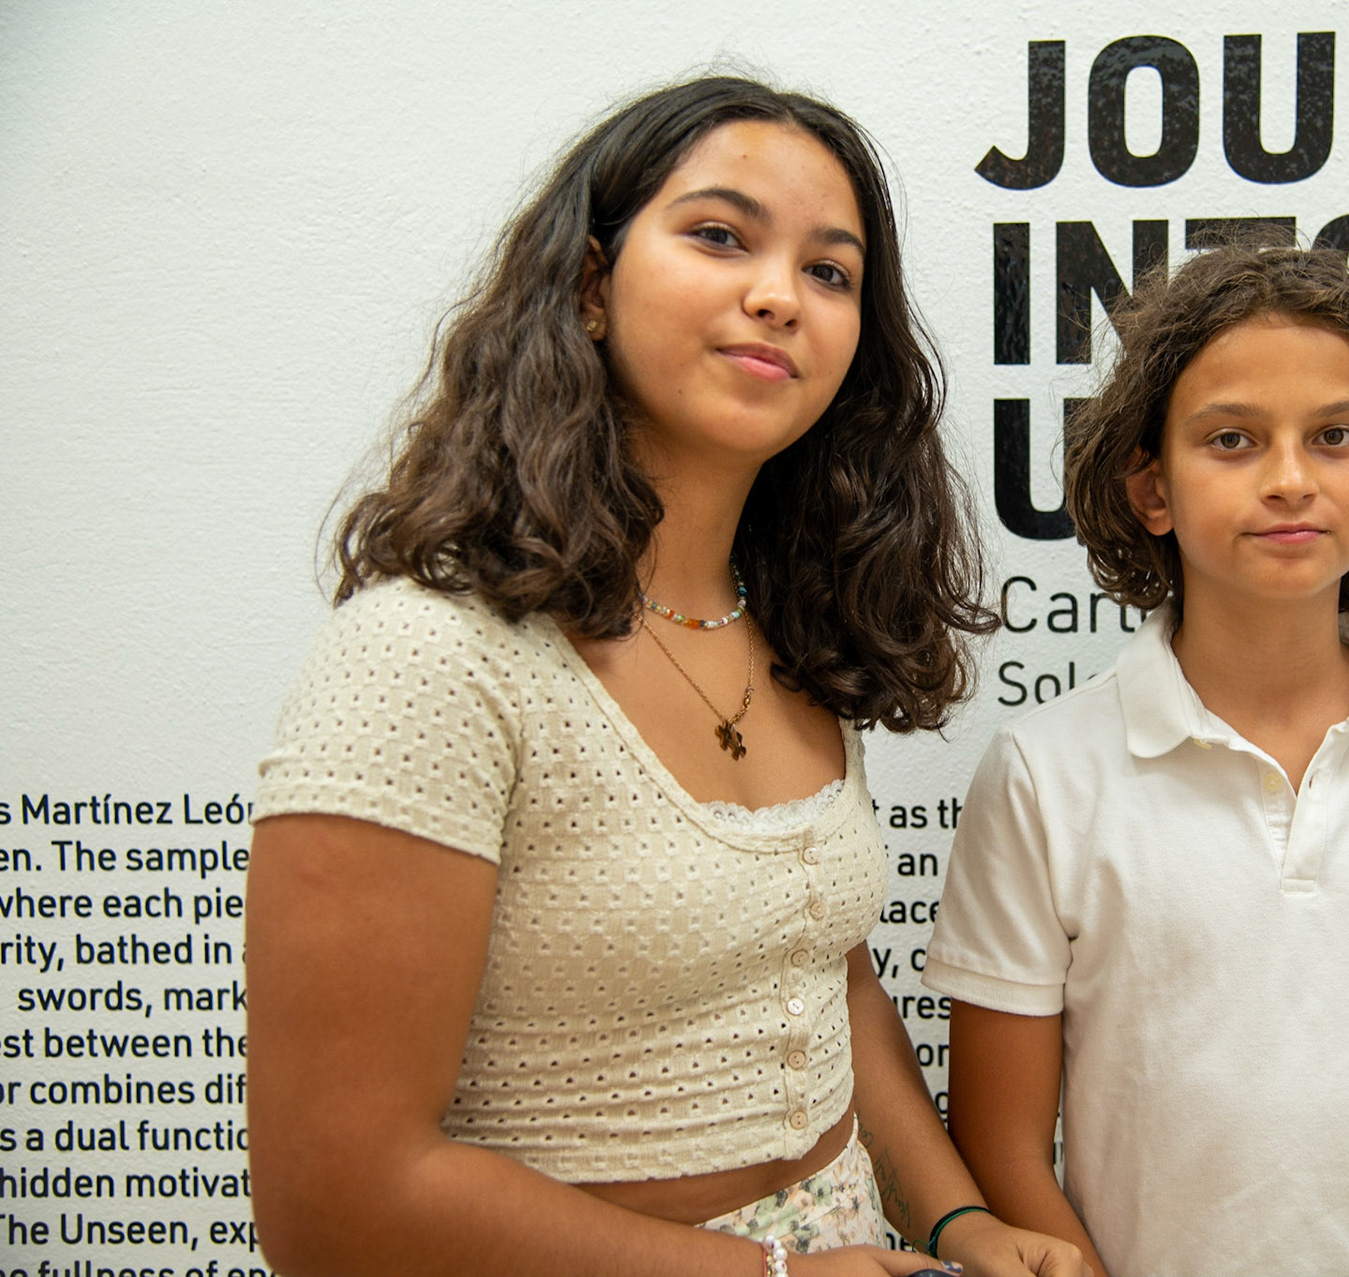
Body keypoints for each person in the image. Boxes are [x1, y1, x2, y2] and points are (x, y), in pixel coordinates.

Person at [246, 76, 1088, 1277]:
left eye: (829, 271)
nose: (778, 295)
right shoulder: (429, 657)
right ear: (590, 286)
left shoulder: (791, 632)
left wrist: (960, 1220)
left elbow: (827, 981)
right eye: (720, 236)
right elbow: (337, 1201)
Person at [925, 245, 1349, 1277]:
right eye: (1232, 438)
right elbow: (1002, 1145)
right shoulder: (1041, 776)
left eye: (1334, 436)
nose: (1289, 480)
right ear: (1152, 486)